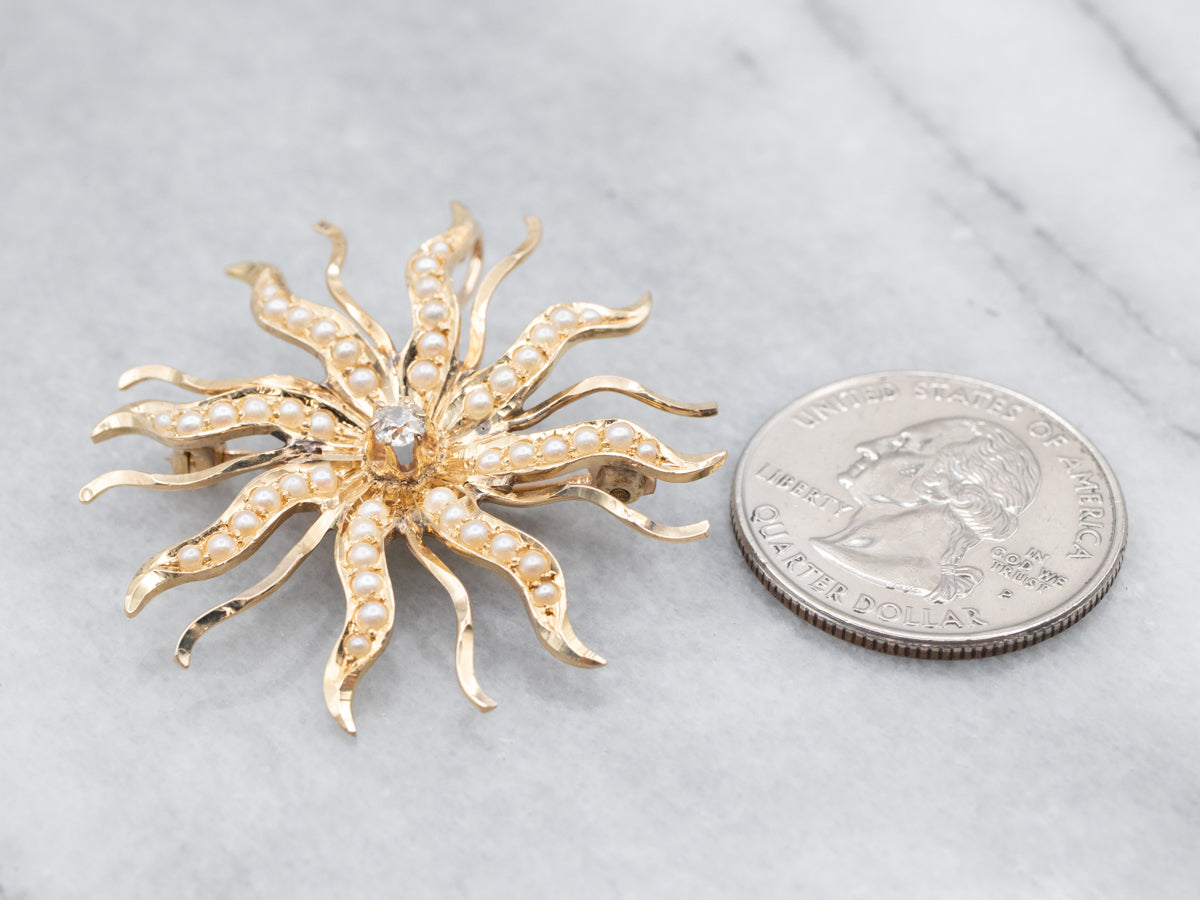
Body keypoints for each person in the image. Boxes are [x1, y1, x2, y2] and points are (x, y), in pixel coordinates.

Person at [813, 417, 1040, 604]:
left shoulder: (896, 574)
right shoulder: (835, 549)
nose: (867, 447)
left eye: (900, 445)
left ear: (942, 483)